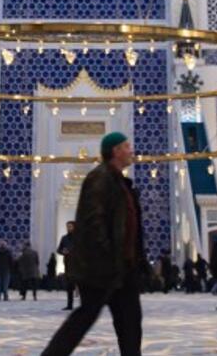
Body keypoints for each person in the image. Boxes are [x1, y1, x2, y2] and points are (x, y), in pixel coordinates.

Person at [43, 132, 146, 356]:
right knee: (83, 319)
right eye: (127, 146)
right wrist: (107, 258)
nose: (131, 150)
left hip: (122, 269)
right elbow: (94, 224)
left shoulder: (120, 182)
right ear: (116, 151)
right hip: (103, 268)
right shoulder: (100, 179)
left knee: (130, 324)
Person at [57, 222, 75, 309]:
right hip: (68, 264)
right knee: (70, 286)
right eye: (67, 227)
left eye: (70, 227)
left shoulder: (79, 238)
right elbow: (59, 250)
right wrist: (63, 252)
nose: (68, 228)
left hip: (78, 264)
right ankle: (69, 305)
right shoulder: (64, 238)